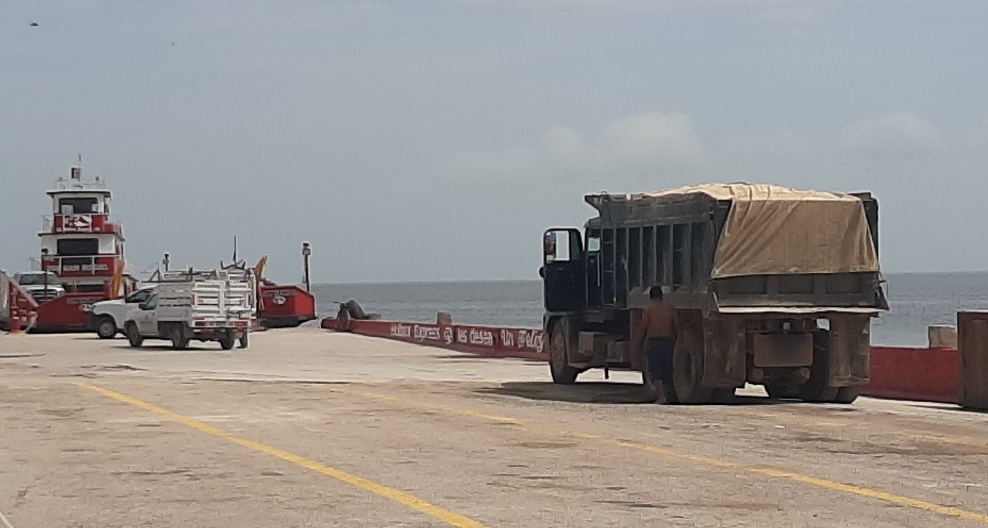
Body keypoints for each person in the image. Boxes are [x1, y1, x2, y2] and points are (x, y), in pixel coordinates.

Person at [633, 286, 679, 402]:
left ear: (650, 297)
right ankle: (667, 396)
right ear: (662, 296)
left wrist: (636, 343)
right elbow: (677, 327)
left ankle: (661, 397)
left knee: (655, 370)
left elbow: (643, 328)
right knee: (667, 370)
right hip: (668, 342)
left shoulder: (648, 311)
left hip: (654, 343)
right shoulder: (670, 309)